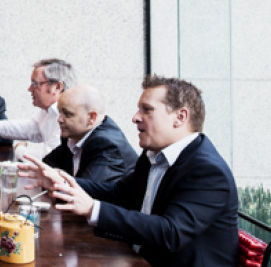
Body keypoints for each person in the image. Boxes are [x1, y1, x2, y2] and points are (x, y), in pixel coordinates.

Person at [20, 76, 237, 267]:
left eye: (147, 110)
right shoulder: (153, 155)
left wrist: (93, 209)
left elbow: (171, 232)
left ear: (180, 117)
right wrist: (62, 183)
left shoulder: (208, 170)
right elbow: (119, 194)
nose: (135, 117)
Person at [0, 58, 76, 159]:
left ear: (57, 87)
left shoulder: (68, 116)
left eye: (35, 84)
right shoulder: (49, 112)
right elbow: (28, 128)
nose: (30, 89)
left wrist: (19, 149)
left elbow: (49, 158)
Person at [42, 84, 137, 183]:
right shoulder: (73, 137)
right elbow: (47, 165)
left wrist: (59, 178)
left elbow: (86, 189)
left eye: (67, 114)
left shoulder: (105, 144)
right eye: (60, 112)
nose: (59, 119)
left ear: (91, 117)